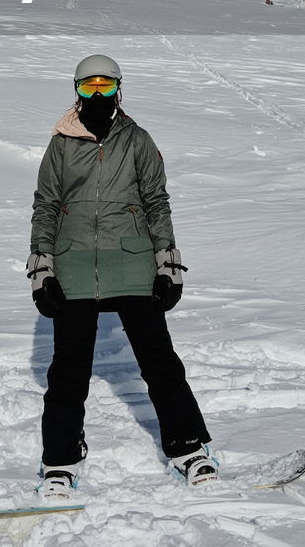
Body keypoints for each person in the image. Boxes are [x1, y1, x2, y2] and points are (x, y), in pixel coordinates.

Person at [27, 54, 216, 499]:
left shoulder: (137, 140)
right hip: (74, 266)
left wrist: (167, 264)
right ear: (75, 90)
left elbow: (156, 202)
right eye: (89, 87)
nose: (97, 95)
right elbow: (46, 206)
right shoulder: (61, 144)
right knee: (68, 372)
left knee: (159, 363)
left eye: (105, 86)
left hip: (132, 263)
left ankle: (188, 448)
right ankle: (60, 459)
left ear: (119, 89)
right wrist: (42, 269)